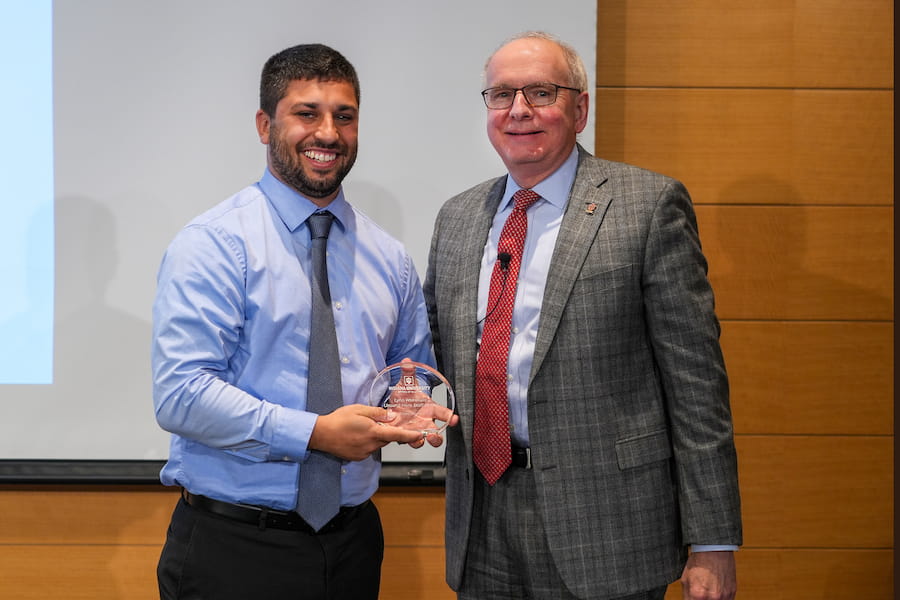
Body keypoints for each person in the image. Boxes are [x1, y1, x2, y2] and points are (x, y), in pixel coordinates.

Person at [424, 32, 742, 600]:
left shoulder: (647, 206)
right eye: (501, 95)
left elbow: (696, 385)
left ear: (580, 108)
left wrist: (713, 541)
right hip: (483, 519)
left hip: (608, 527)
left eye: (541, 92)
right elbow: (436, 356)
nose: (519, 110)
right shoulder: (457, 217)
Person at [152, 43, 454, 600]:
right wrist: (315, 433)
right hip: (233, 548)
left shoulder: (389, 258)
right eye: (307, 113)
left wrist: (411, 407)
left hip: (353, 544)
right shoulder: (214, 245)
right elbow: (181, 395)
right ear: (266, 124)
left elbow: (405, 375)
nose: (328, 133)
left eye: (344, 116)